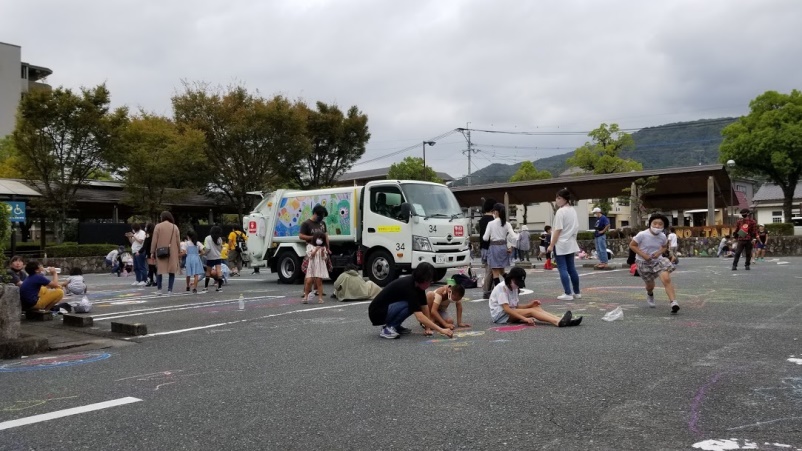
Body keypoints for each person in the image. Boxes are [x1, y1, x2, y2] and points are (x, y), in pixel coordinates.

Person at [368, 262, 454, 340]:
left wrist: (428, 328)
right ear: (423, 279)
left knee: (414, 304)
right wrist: (441, 330)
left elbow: (424, 306)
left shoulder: (418, 286)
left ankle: (395, 326)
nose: (430, 284)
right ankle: (389, 327)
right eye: (429, 281)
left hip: (386, 309)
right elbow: (419, 316)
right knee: (411, 304)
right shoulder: (409, 287)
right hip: (377, 313)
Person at [488, 266, 580, 327]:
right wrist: (525, 319)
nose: (518, 286)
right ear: (511, 278)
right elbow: (507, 309)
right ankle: (557, 322)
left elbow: (515, 306)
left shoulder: (514, 286)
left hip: (509, 312)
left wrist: (530, 305)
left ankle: (560, 319)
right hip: (500, 316)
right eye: (517, 283)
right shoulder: (502, 288)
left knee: (536, 307)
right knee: (531, 311)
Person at [629, 214, 680, 313]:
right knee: (650, 285)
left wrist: (658, 253)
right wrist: (644, 255)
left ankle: (674, 302)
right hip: (643, 262)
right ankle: (650, 294)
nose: (657, 226)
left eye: (660, 224)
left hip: (658, 261)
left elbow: (664, 247)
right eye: (655, 223)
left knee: (666, 279)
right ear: (650, 224)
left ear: (664, 226)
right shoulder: (642, 234)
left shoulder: (662, 236)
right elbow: (632, 245)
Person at [547, 188, 581, 301]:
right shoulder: (573, 210)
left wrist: (551, 245)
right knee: (572, 268)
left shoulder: (560, 212)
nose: (557, 200)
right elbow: (576, 227)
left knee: (562, 268)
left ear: (565, 199)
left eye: (559, 198)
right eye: (556, 198)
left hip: (560, 244)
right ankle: (577, 292)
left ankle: (568, 293)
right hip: (571, 242)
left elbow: (558, 229)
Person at [482, 203, 517, 291]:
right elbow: (514, 236)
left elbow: (485, 238)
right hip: (503, 248)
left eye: (493, 211)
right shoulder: (507, 224)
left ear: (496, 212)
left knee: (495, 272)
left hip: (494, 248)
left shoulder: (491, 223)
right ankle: (512, 284)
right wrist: (511, 247)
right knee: (502, 271)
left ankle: (498, 291)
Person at [150, 211, 181, 296]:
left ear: (162, 217)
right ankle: (170, 290)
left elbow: (154, 240)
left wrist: (152, 251)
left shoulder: (158, 226)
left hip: (161, 251)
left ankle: (159, 289)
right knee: (172, 271)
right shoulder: (175, 227)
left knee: (159, 270)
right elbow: (178, 240)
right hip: (172, 251)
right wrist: (179, 250)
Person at [478, 198, 497, 298]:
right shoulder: (492, 220)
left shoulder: (482, 220)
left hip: (483, 247)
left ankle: (490, 290)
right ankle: (487, 291)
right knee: (491, 270)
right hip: (491, 247)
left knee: (488, 270)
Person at [302, 231, 329, 304]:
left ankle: (320, 298)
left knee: (319, 282)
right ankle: (306, 296)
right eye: (319, 238)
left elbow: (324, 258)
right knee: (308, 281)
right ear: (315, 238)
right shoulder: (310, 246)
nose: (320, 240)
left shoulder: (323, 247)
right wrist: (316, 250)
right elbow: (310, 256)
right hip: (312, 266)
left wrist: (322, 252)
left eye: (321, 239)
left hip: (319, 266)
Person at [202, 226, 225, 292]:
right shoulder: (219, 239)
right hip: (218, 256)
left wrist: (204, 253)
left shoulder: (208, 238)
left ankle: (206, 287)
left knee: (208, 272)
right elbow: (221, 248)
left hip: (210, 257)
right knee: (219, 271)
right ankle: (219, 287)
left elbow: (207, 248)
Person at [143, 223, 157, 287]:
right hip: (156, 253)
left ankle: (151, 280)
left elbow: (144, 246)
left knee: (151, 268)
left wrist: (139, 252)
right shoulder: (156, 236)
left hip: (149, 253)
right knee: (155, 268)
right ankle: (157, 280)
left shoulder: (148, 237)